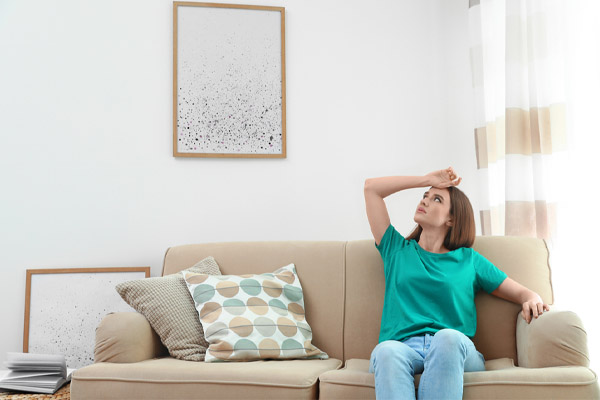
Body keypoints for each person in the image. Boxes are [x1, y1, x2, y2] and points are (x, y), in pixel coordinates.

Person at [364, 167, 550, 400]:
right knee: (386, 351)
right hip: (403, 348)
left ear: (451, 219)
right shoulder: (396, 250)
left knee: (446, 337)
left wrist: (533, 298)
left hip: (454, 350)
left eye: (437, 199)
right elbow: (371, 189)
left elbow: (523, 292)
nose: (425, 201)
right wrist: (426, 179)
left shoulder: (468, 260)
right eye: (425, 196)